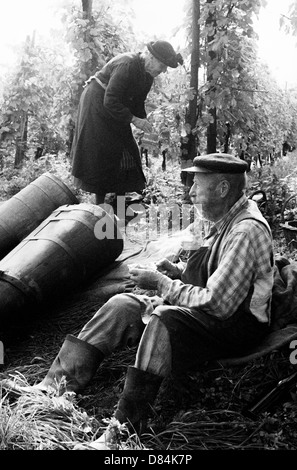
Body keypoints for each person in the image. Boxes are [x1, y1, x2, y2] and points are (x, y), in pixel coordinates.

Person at [2, 153, 274, 450]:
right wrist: (179, 273)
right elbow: (216, 277)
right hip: (215, 308)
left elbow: (218, 304)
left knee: (164, 319)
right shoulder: (220, 217)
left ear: (222, 189)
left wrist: (162, 284)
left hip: (237, 325)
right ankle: (55, 385)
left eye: (197, 184)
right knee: (124, 304)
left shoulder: (245, 230)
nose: (191, 192)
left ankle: (123, 432)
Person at [70, 40, 183, 217]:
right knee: (103, 152)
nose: (163, 70)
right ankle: (99, 211)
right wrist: (134, 120)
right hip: (97, 104)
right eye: (162, 65)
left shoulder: (148, 76)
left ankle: (119, 208)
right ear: (150, 57)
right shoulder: (127, 65)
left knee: (127, 152)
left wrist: (146, 125)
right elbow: (110, 99)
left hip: (114, 107)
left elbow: (138, 103)